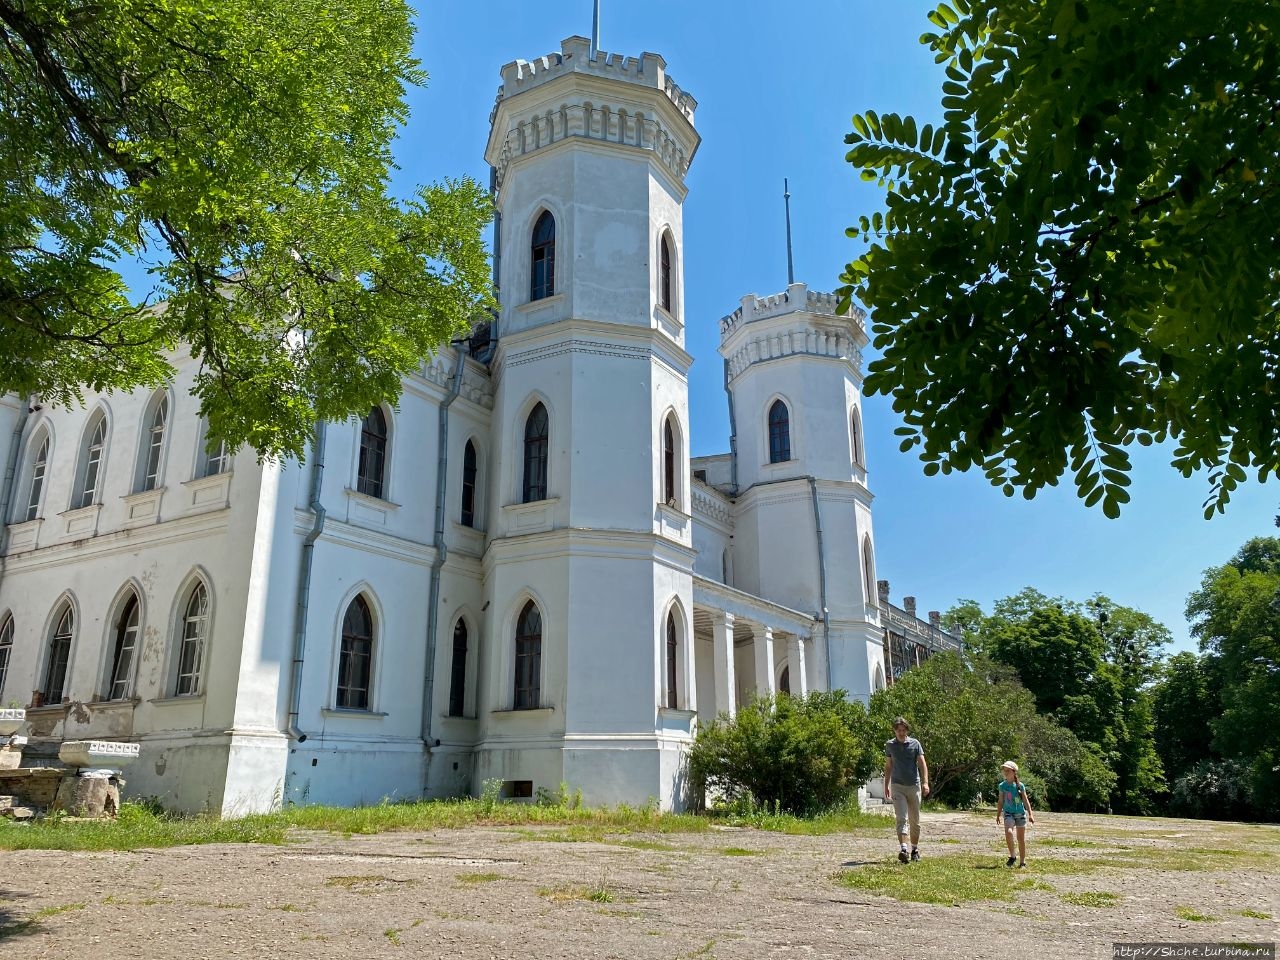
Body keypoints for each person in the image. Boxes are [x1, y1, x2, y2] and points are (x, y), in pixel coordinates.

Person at [883, 716, 930, 863]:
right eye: (898, 731)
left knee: (914, 820)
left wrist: (925, 782)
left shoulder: (915, 744)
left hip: (913, 785)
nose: (901, 733)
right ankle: (903, 849)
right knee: (901, 818)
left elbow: (922, 764)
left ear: (907, 730)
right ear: (894, 731)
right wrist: (886, 785)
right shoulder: (890, 745)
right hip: (897, 786)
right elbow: (888, 766)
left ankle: (914, 849)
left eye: (903, 730)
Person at [996, 760, 1035, 867]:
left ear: (1014, 772)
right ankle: (1012, 856)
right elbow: (1000, 801)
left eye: (1008, 770)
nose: (1005, 772)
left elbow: (1026, 801)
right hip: (1008, 813)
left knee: (1020, 839)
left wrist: (1030, 814)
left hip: (1020, 814)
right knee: (1008, 832)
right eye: (1004, 770)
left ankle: (1022, 862)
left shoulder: (1020, 786)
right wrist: (998, 814)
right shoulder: (1002, 786)